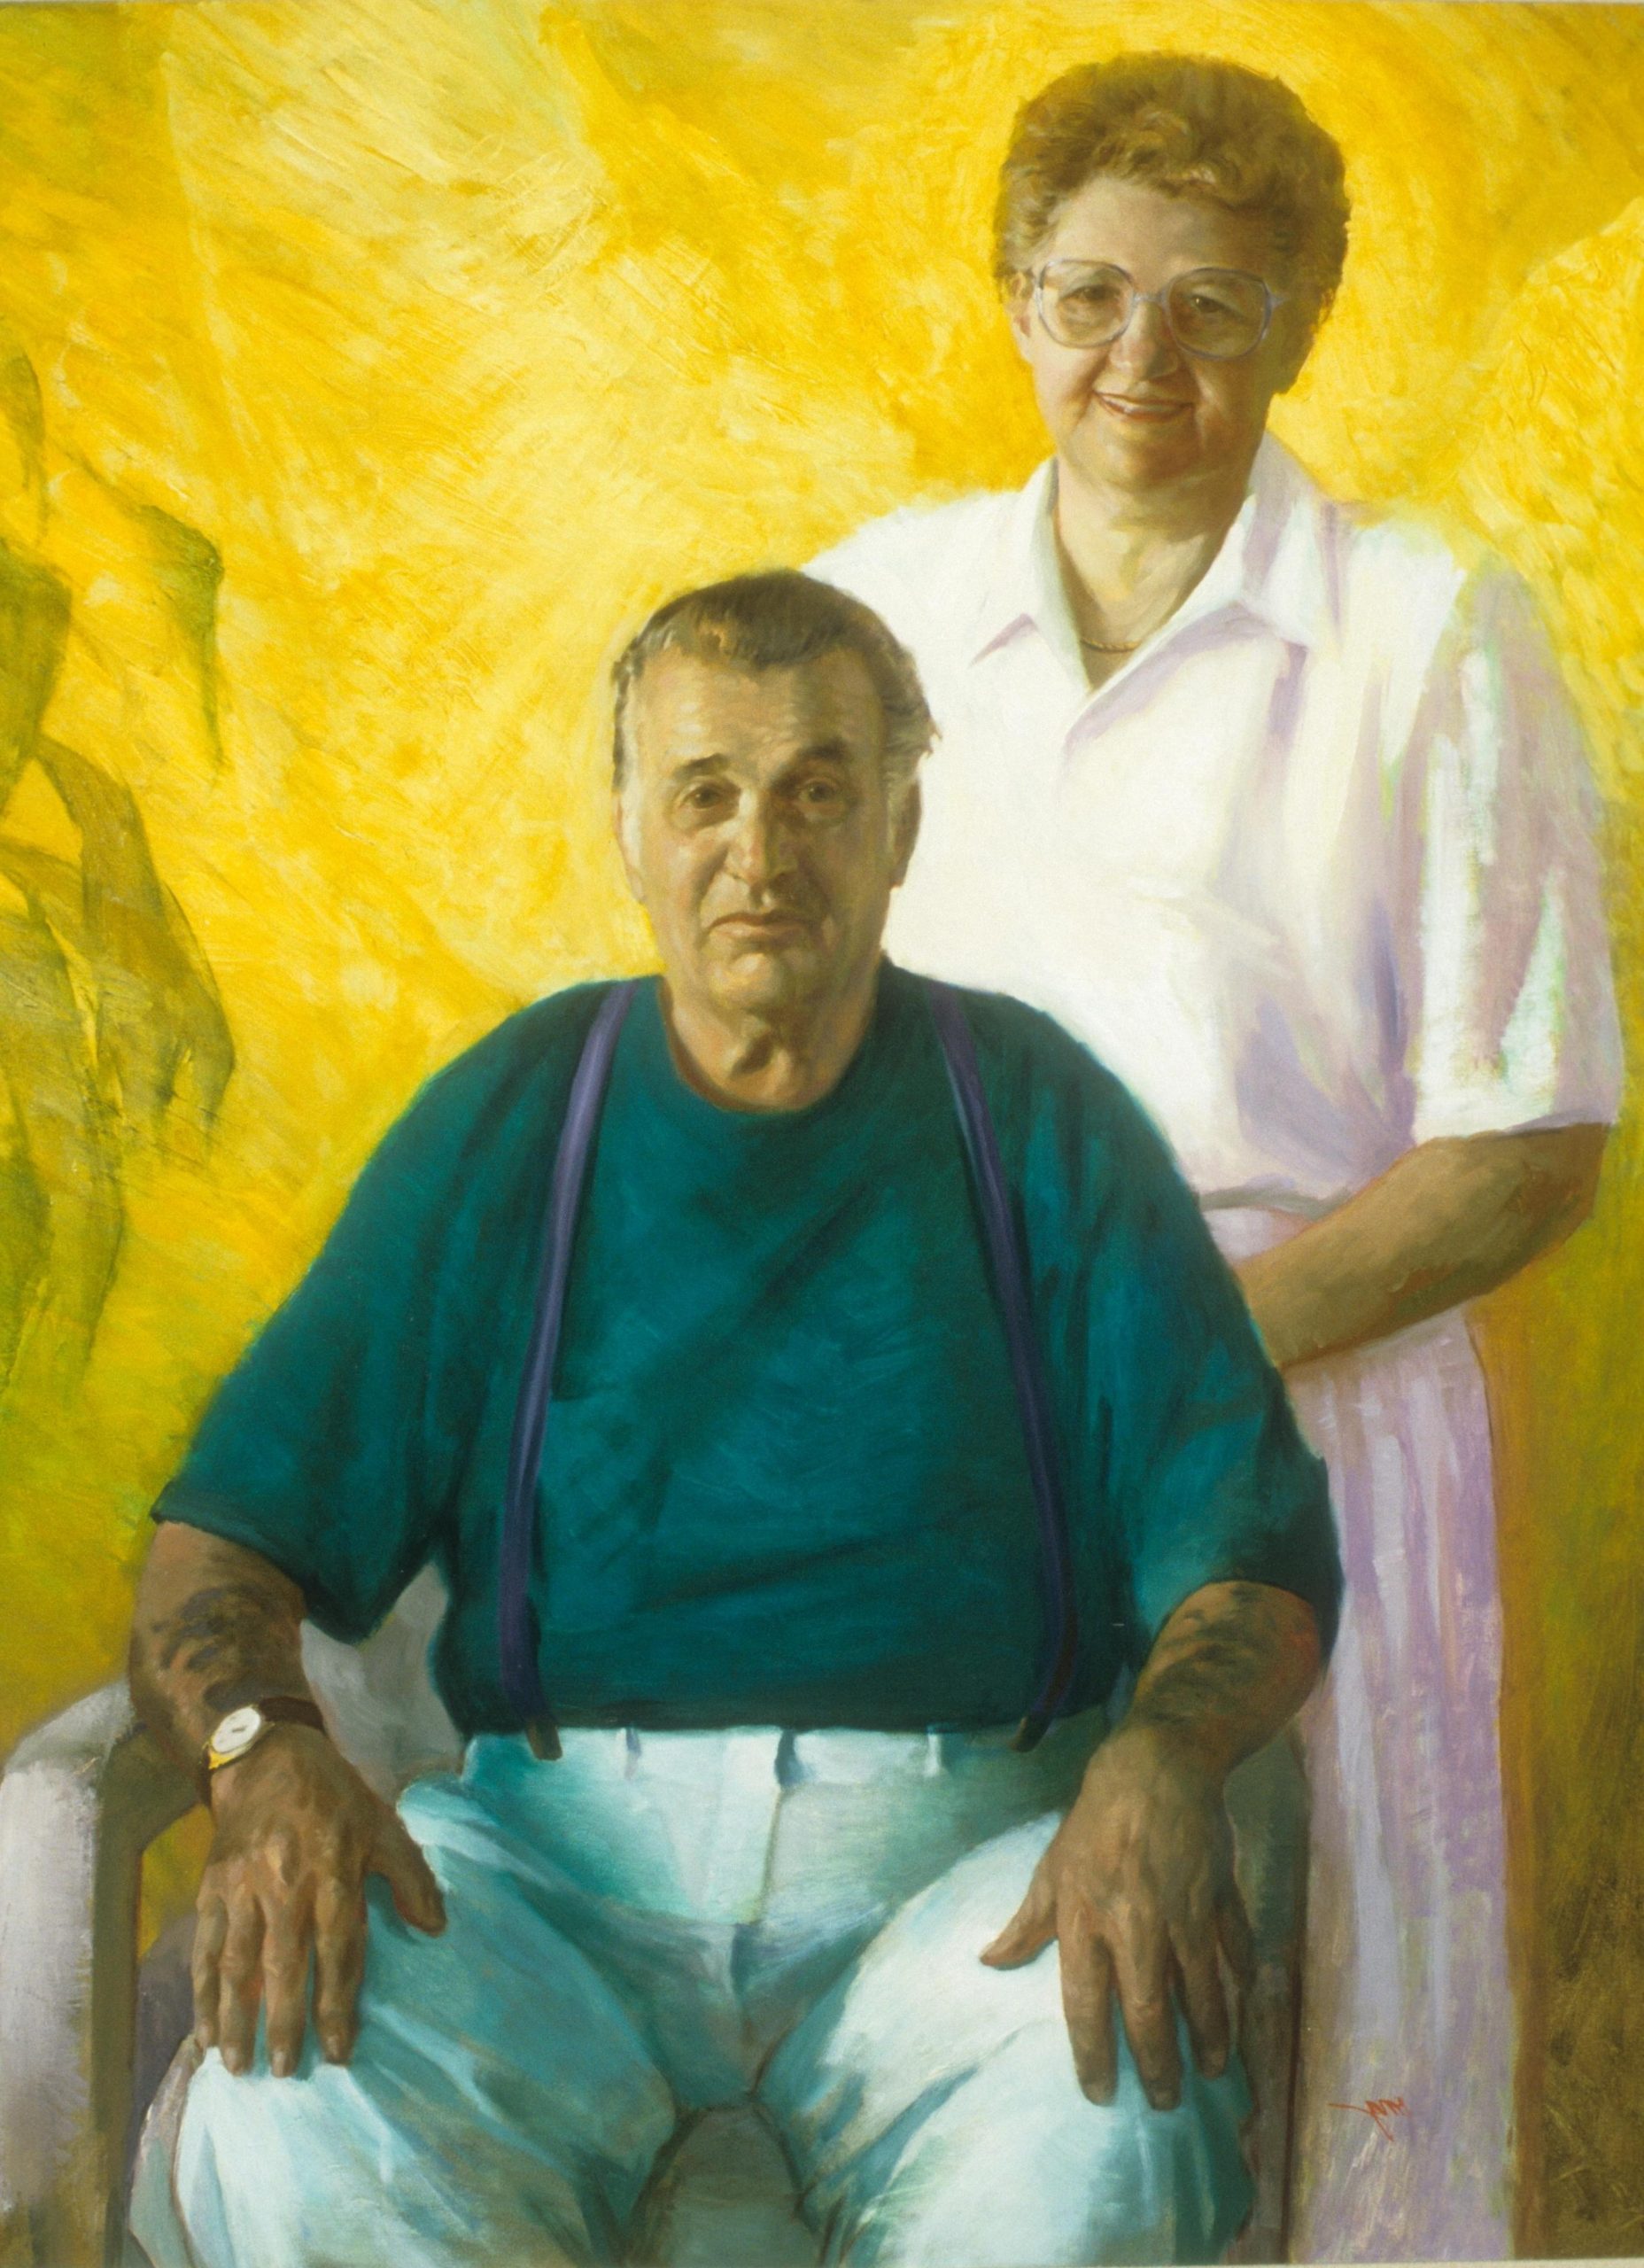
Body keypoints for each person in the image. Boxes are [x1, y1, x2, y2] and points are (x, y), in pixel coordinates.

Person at [125, 570, 1339, 2268]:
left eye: (817, 792)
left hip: (961, 1884)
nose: (759, 854)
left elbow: (1252, 1555)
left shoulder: (1037, 1118)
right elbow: (222, 1547)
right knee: (297, 2102)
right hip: (546, 1892)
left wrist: (1166, 1755)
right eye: (705, 794)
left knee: (1109, 2131)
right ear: (629, 828)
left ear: (902, 826)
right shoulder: (517, 1116)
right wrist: (261, 1753)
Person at [808, 51, 1624, 2264]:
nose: (1138, 361)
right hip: (935, 1428)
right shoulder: (871, 613)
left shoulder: (1422, 630)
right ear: (1015, 299)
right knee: (952, 2032)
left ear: (1300, 322)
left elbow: (1528, 1142)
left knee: (1329, 2077)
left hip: (1312, 1414)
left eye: (1210, 307)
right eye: (1087, 296)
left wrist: (1161, 1352)